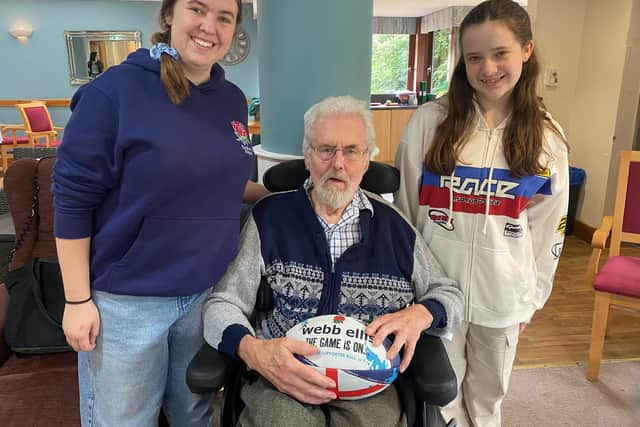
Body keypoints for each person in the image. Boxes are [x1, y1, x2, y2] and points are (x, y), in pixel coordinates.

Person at [52, 0, 268, 425]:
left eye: (224, 17)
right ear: (170, 14)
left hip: (206, 293)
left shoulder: (232, 100)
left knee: (194, 415)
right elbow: (73, 199)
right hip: (128, 303)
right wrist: (76, 300)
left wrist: (278, 195)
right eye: (197, 9)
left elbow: (219, 183)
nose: (209, 26)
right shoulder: (113, 92)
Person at [203, 96, 463, 427]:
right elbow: (221, 304)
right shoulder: (270, 219)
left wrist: (420, 314)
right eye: (326, 149)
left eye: (351, 151)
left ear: (367, 159)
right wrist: (254, 352)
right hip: (282, 378)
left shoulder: (395, 228)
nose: (338, 163)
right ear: (308, 156)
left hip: (369, 384)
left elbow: (450, 294)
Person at [394, 1, 569, 426]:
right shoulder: (430, 122)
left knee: (487, 401)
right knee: (440, 397)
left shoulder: (547, 138)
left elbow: (549, 230)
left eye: (500, 53)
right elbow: (405, 212)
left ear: (526, 50)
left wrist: (532, 300)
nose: (487, 67)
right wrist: (408, 286)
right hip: (437, 296)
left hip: (504, 300)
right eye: (474, 57)